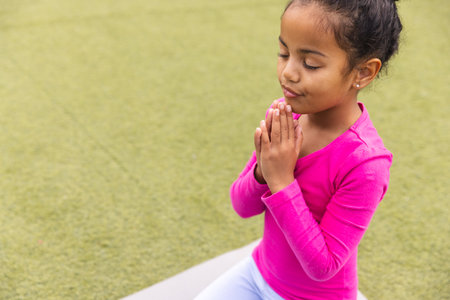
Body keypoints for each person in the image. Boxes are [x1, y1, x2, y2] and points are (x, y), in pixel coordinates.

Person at [195, 0, 402, 299]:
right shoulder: (285, 116)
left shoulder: (365, 164)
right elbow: (242, 206)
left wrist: (282, 181)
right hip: (257, 274)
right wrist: (262, 173)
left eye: (310, 64)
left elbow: (323, 265)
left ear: (363, 72)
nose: (288, 72)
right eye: (284, 53)